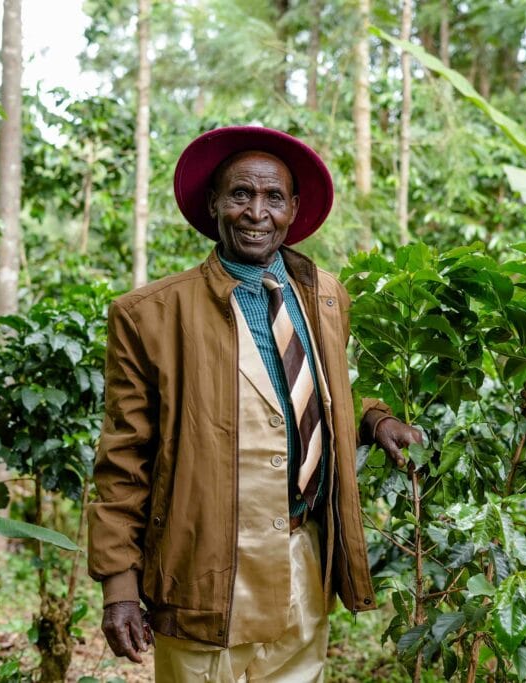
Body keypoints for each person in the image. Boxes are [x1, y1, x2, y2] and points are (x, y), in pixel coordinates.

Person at [87, 126, 422, 682]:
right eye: (240, 194)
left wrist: (373, 418)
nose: (255, 212)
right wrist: (119, 587)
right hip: (204, 571)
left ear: (294, 208)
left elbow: (319, 384)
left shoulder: (325, 293)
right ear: (214, 203)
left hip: (303, 560)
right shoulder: (149, 315)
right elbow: (124, 460)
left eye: (272, 198)